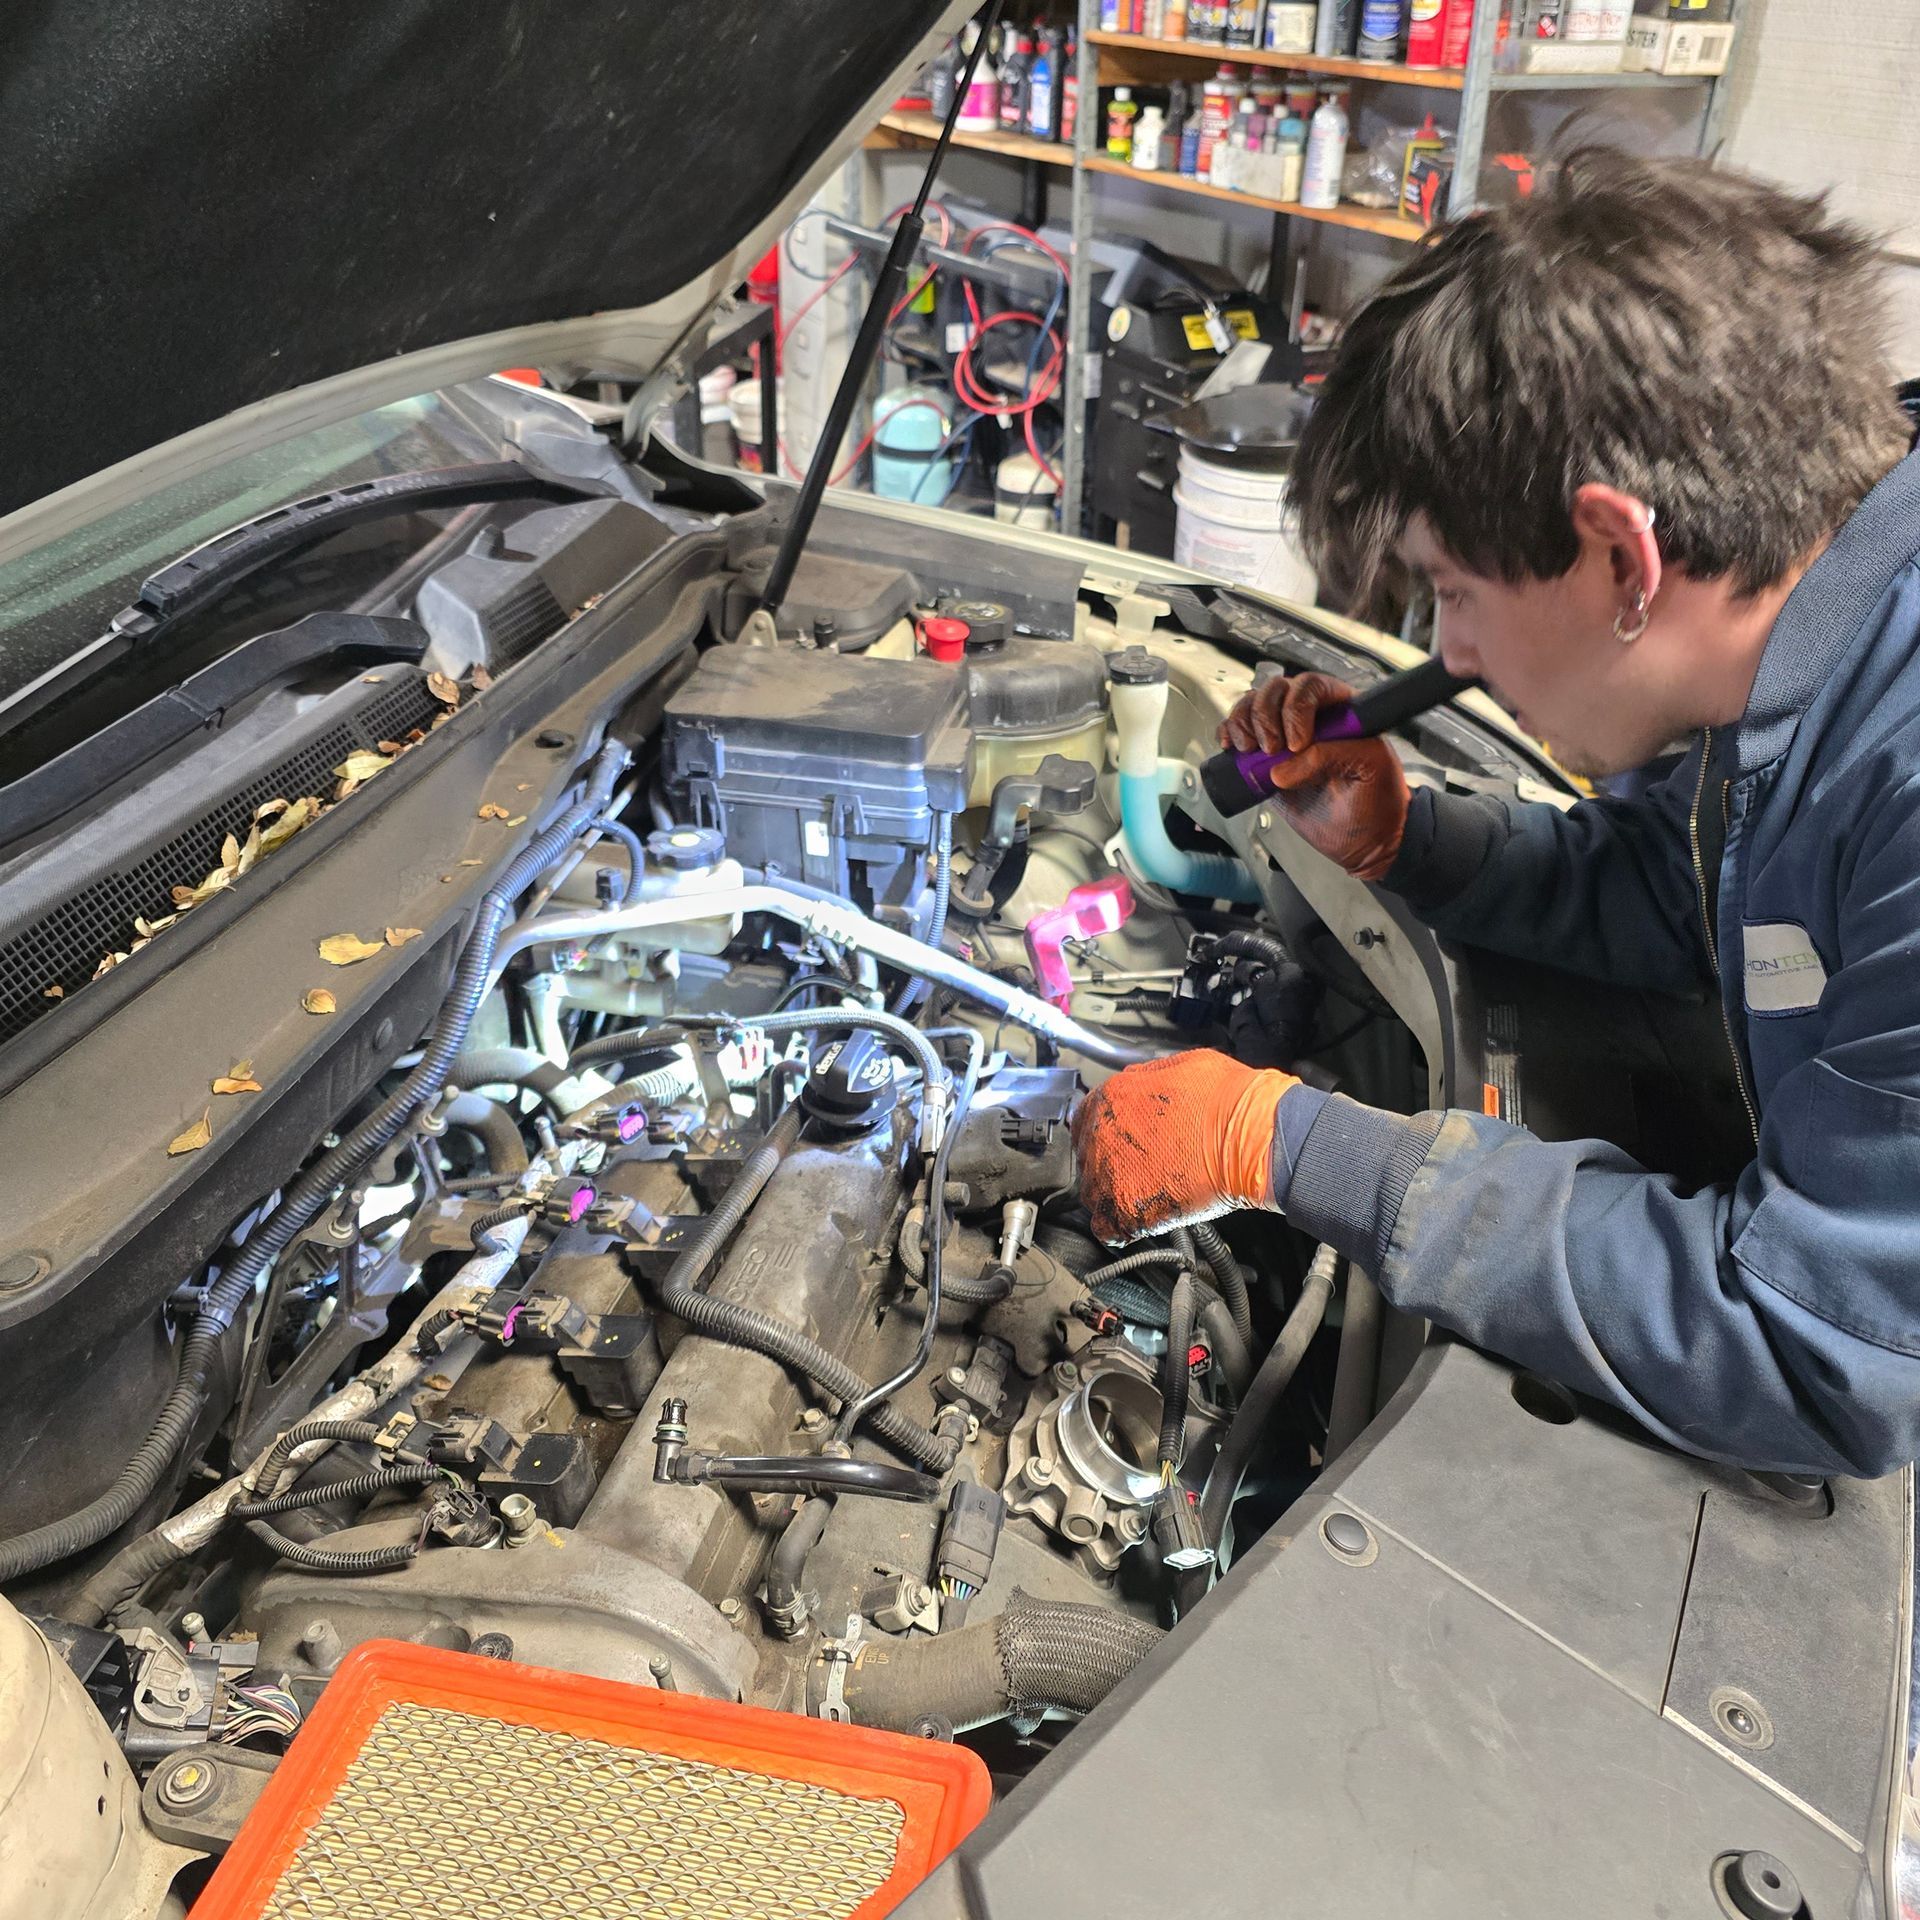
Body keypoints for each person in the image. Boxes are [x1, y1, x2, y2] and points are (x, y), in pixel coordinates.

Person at [1073, 150, 1920, 1480]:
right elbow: (1704, 905)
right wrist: (1411, 844)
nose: (1451, 656)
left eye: (1453, 590)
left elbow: (1816, 1349)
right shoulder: (1817, 619)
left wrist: (1295, 1145)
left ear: (1622, 558)